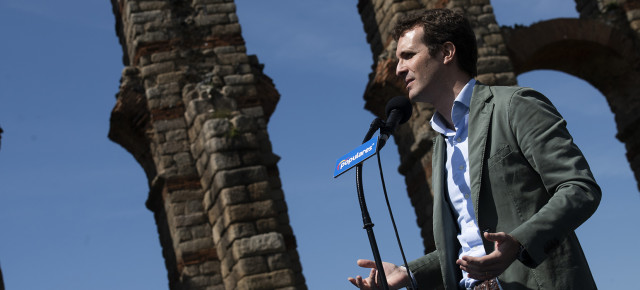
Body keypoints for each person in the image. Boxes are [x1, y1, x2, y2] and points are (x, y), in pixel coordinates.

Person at [348, 8, 601, 290]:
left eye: (408, 56)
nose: (398, 69)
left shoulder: (515, 105)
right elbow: (466, 244)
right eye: (397, 59)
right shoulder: (440, 145)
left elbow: (579, 188)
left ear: (447, 52)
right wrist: (408, 272)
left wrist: (519, 242)